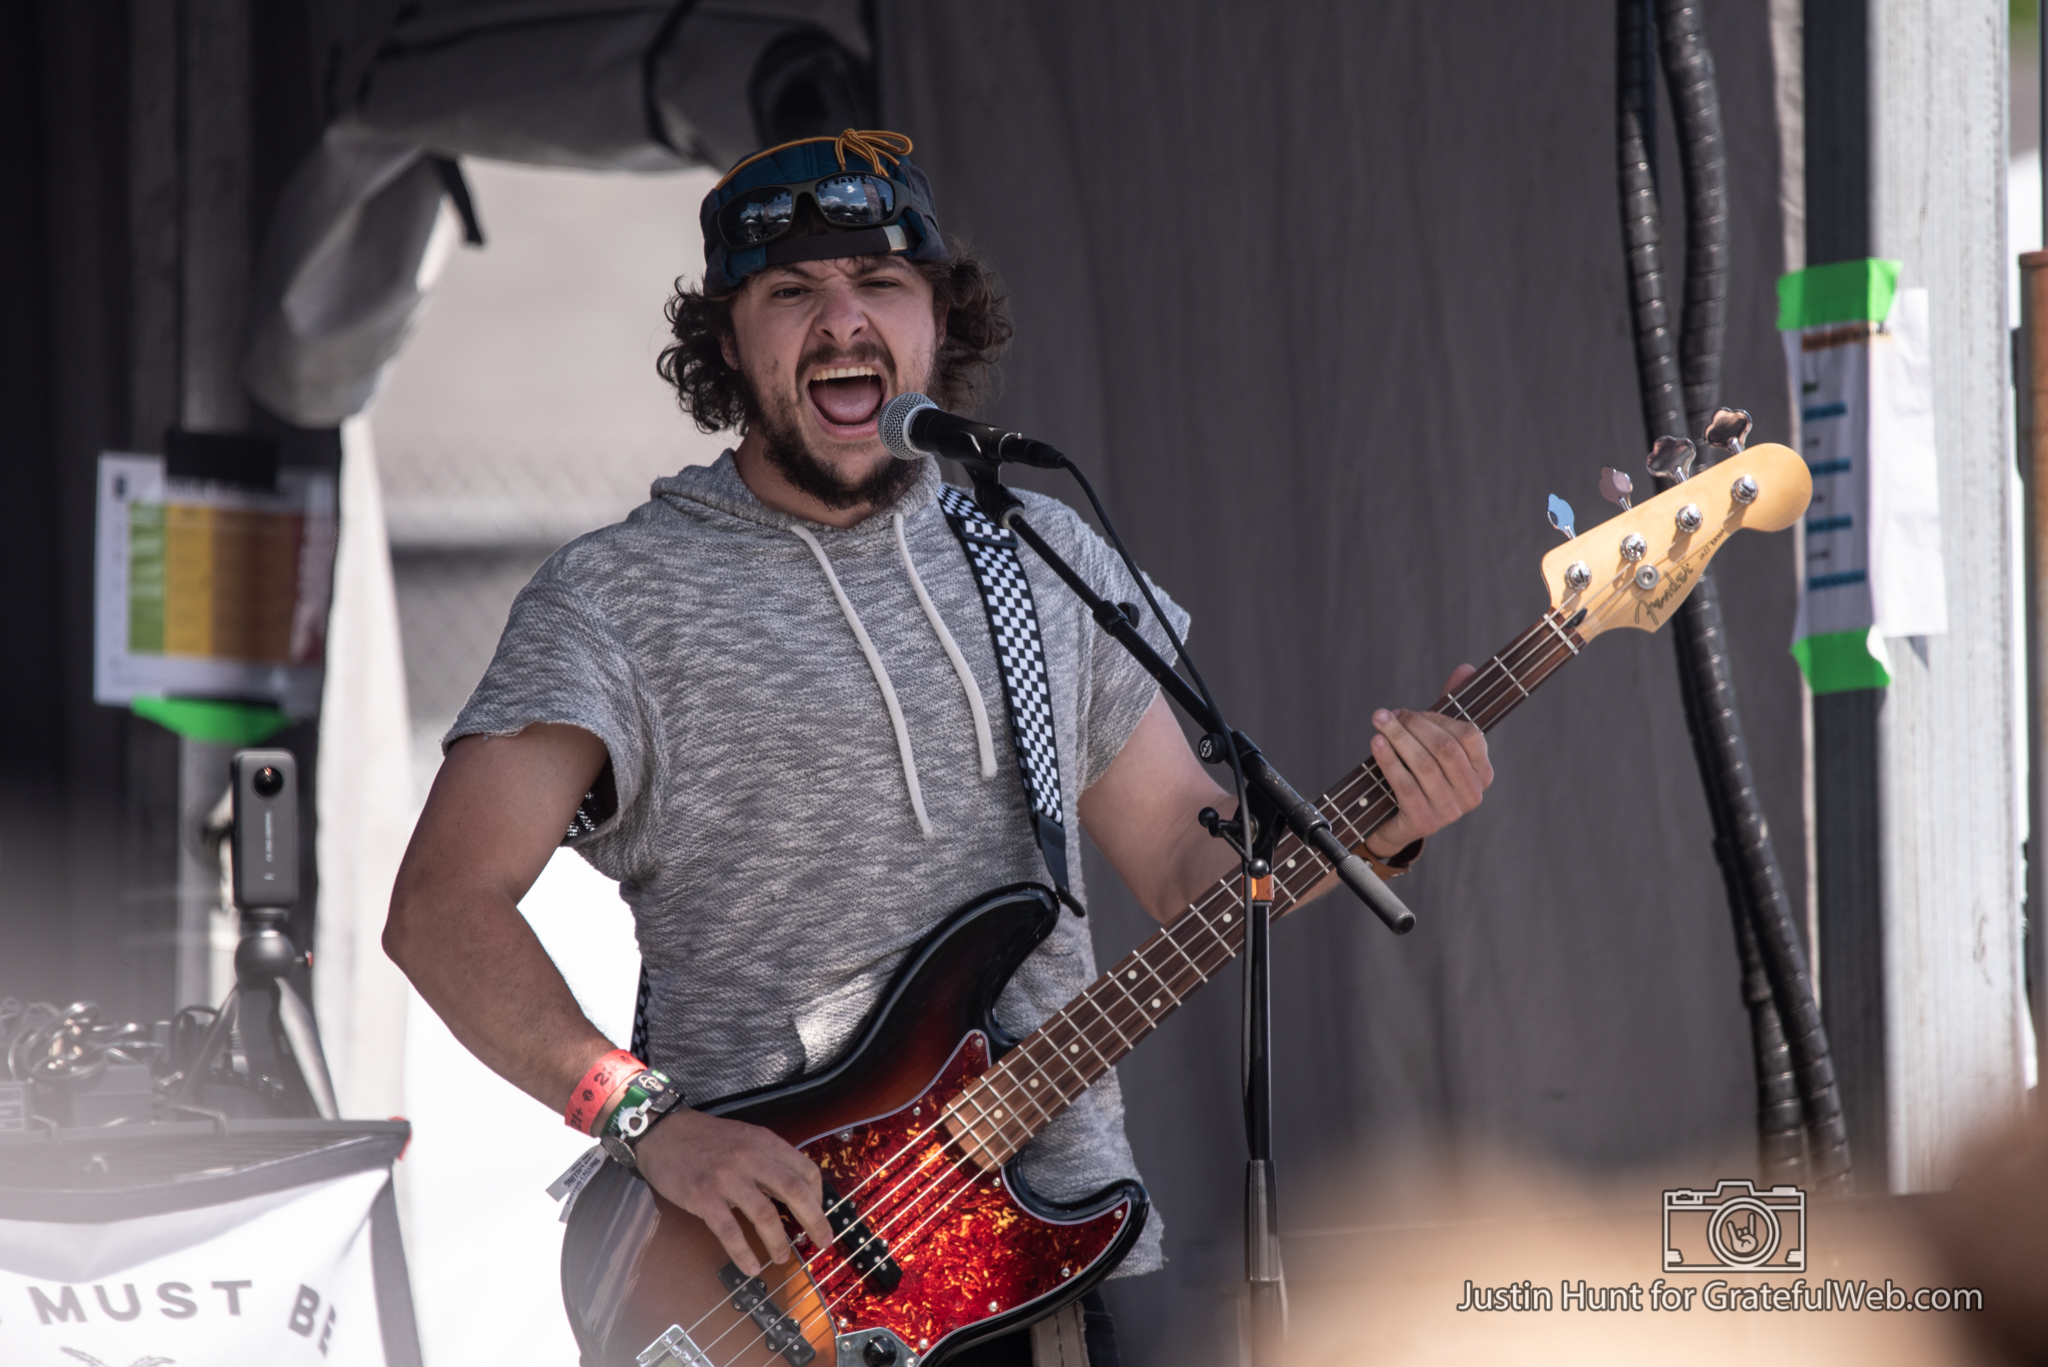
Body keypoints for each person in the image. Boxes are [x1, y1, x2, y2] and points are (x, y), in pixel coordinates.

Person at [383, 128, 1494, 1365]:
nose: (841, 320)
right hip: (760, 1286)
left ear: (937, 325)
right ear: (728, 340)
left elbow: (1191, 869)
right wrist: (646, 1119)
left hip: (1051, 1269)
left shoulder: (1038, 556)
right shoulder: (618, 599)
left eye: (883, 285)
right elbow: (440, 907)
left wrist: (1376, 819)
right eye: (792, 290)